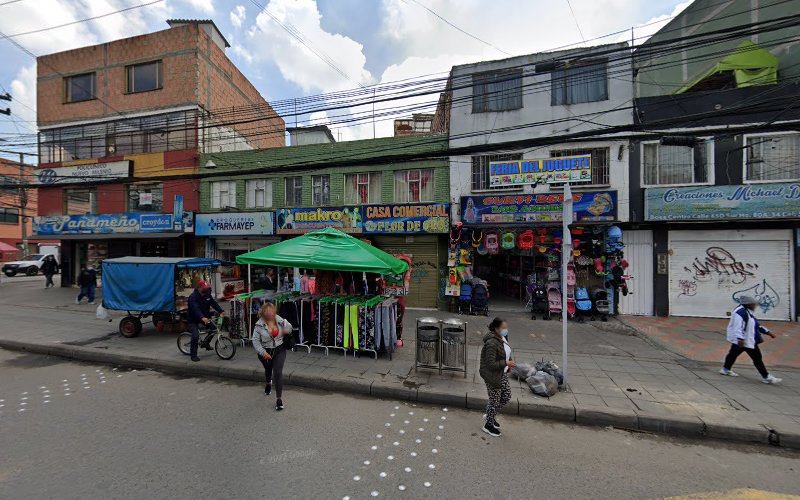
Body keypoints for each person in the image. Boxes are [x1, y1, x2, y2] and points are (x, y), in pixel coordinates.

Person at [721, 296, 782, 384]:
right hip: (745, 340)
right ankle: (766, 377)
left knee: (733, 354)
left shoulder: (747, 311)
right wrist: (740, 339)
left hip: (745, 339)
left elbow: (756, 324)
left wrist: (767, 332)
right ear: (748, 304)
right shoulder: (741, 313)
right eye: (754, 304)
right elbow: (738, 327)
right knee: (757, 358)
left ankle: (726, 369)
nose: (755, 306)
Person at [252, 302, 293, 411]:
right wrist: (262, 352)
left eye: (272, 312)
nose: (271, 314)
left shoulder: (279, 319)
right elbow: (255, 341)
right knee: (268, 369)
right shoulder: (259, 325)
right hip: (265, 352)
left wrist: (286, 329)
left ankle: (279, 399)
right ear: (264, 313)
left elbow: (290, 327)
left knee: (278, 372)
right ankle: (268, 383)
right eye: (268, 313)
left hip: (279, 349)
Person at [479, 317, 515, 437]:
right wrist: (506, 363)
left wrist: (509, 362)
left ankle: (490, 414)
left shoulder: (502, 337)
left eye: (506, 327)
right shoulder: (491, 343)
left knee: (506, 396)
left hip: (501, 373)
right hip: (492, 375)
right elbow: (490, 364)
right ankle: (488, 426)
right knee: (494, 400)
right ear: (496, 329)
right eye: (503, 328)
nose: (506, 330)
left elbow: (506, 351)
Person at [186, 280, 226, 362]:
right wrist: (202, 317)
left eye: (207, 287)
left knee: (214, 329)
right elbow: (195, 309)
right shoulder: (193, 297)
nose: (206, 289)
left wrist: (221, 311)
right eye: (204, 287)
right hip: (193, 319)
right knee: (195, 336)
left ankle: (206, 343)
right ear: (199, 288)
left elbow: (213, 303)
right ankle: (193, 355)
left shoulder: (207, 294)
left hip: (205, 318)